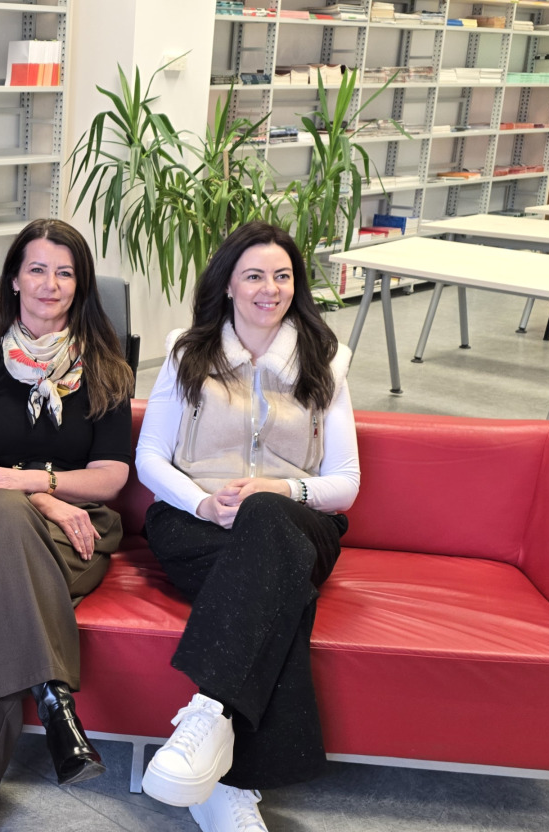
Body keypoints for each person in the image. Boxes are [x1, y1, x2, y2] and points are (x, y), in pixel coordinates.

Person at [133, 222, 358, 832]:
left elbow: (345, 481)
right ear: (228, 285)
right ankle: (227, 785)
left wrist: (280, 491)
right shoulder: (187, 352)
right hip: (196, 523)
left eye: (282, 276)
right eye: (254, 276)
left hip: (297, 523)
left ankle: (209, 713)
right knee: (280, 590)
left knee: (267, 522)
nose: (269, 289)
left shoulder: (326, 359)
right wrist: (204, 504)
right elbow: (150, 458)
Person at [0, 218, 135, 832]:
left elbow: (111, 476)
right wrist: (44, 498)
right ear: (14, 278)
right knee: (3, 518)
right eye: (37, 269)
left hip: (77, 529)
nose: (50, 284)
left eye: (65, 273)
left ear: (80, 284)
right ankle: (55, 700)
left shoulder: (106, 367)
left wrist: (34, 487)